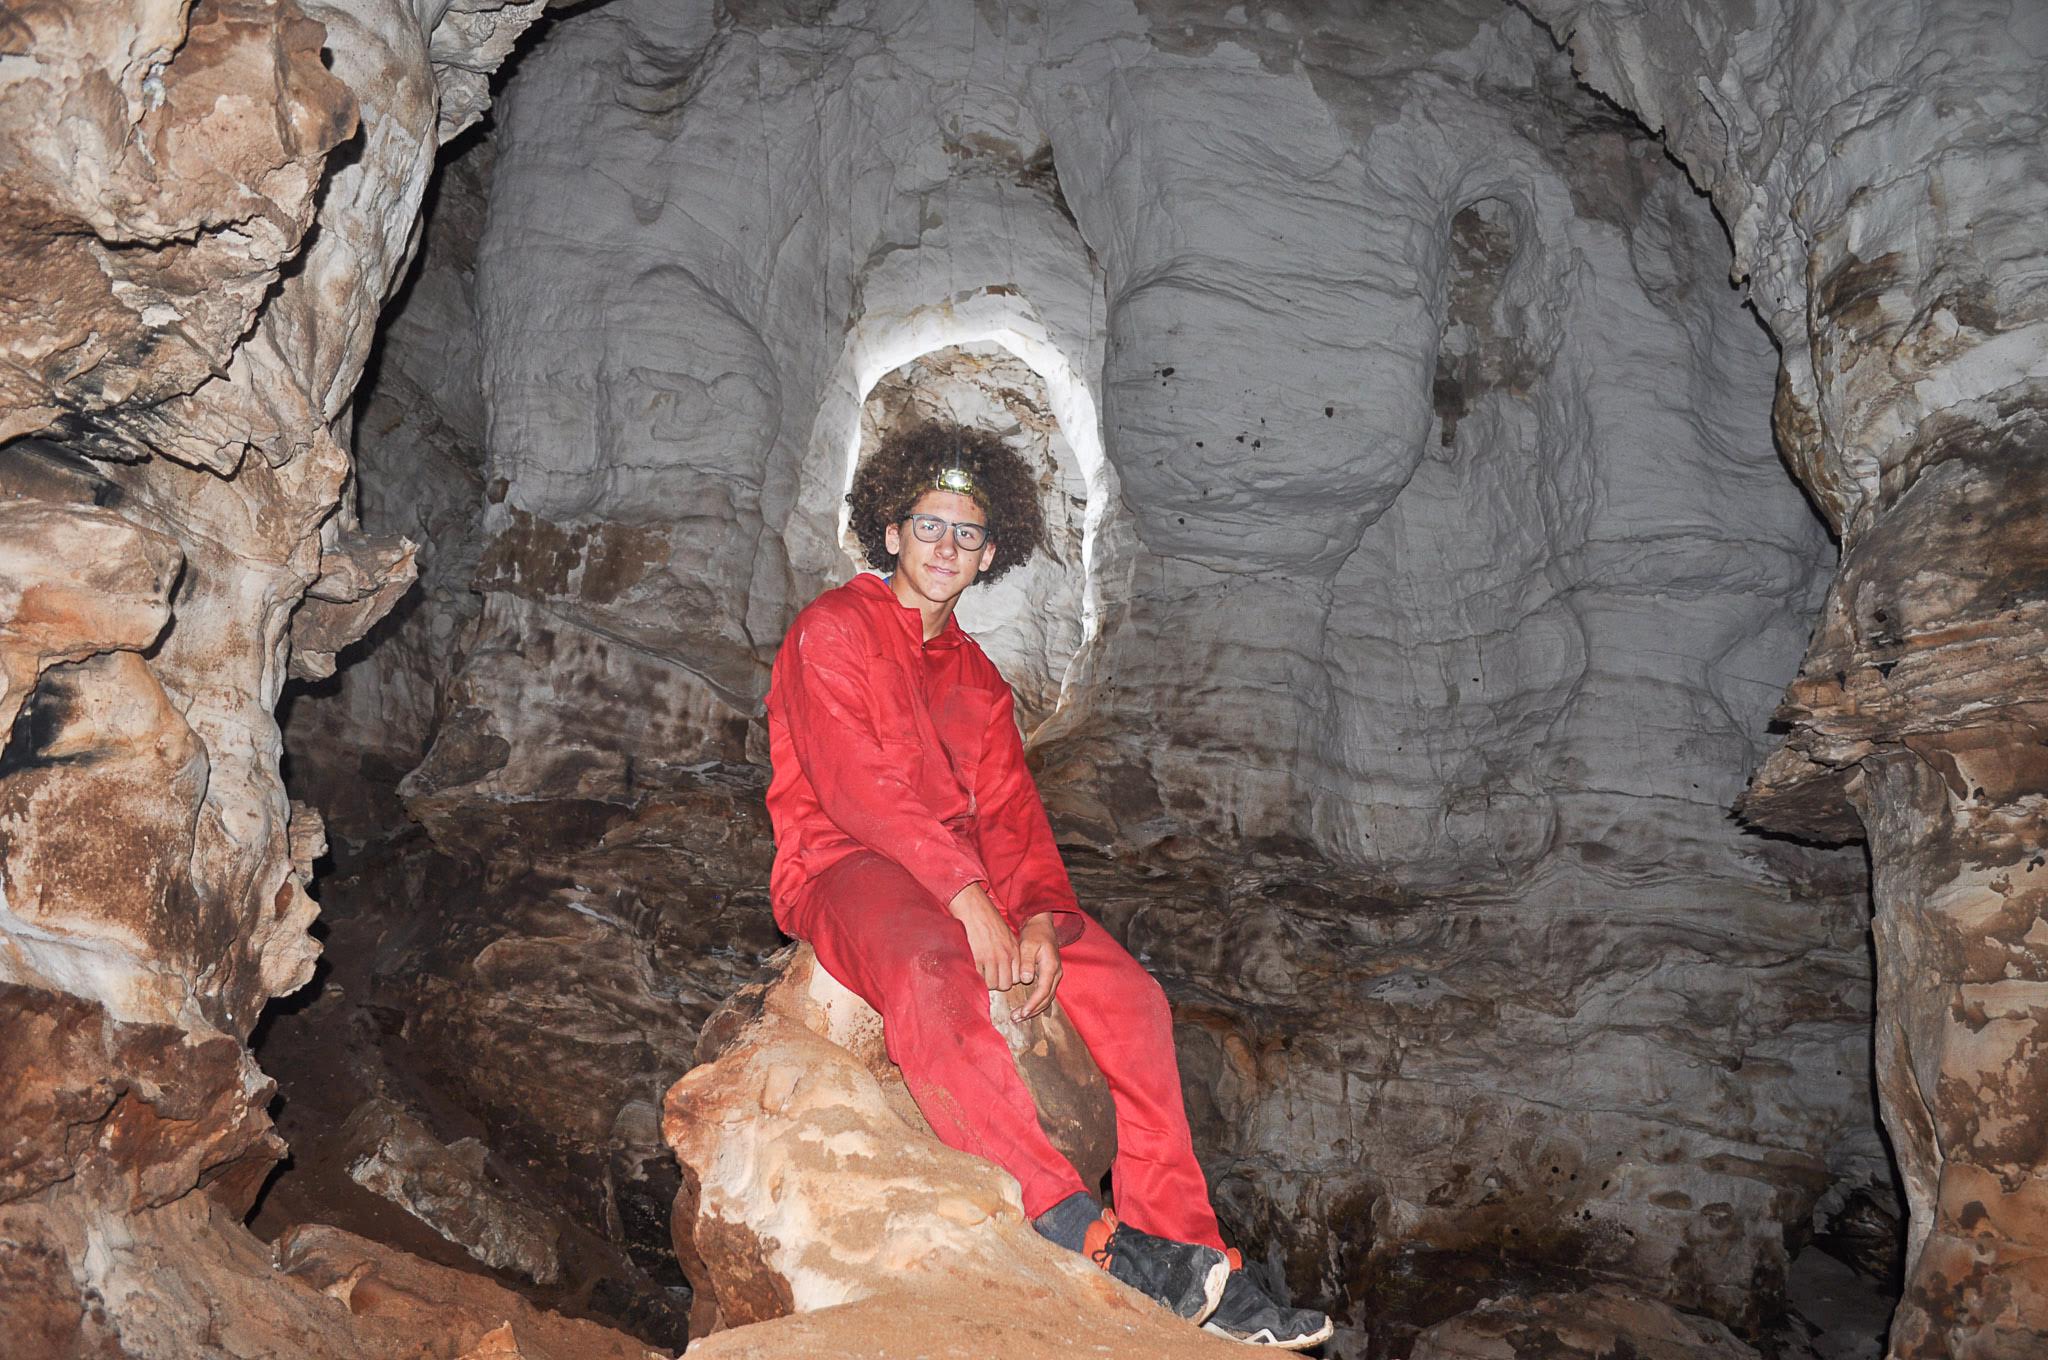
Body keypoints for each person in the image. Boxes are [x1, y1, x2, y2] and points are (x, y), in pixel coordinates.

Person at [763, 422, 1334, 1349]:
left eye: (966, 533)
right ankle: (1078, 1228)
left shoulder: (979, 680)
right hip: (842, 861)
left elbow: (1013, 816)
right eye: (929, 524)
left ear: (991, 553)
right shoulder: (833, 630)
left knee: (1133, 999)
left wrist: (1033, 916)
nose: (946, 545)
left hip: (969, 881)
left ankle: (1191, 1261)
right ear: (893, 530)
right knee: (932, 975)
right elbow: (857, 788)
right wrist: (967, 901)